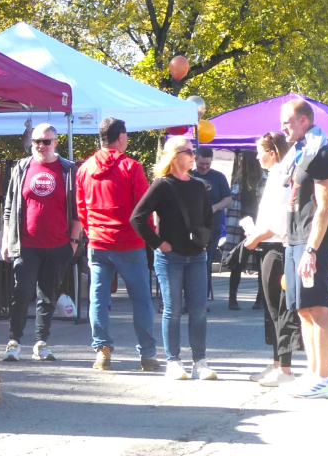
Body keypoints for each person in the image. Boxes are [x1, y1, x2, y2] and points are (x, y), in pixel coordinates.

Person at [76, 117, 159, 371]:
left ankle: (102, 351)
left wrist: (92, 232)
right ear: (121, 137)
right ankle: (147, 355)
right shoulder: (131, 167)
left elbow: (81, 209)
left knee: (98, 298)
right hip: (129, 242)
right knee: (142, 299)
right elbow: (144, 209)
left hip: (99, 243)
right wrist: (151, 236)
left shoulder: (84, 168)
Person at [131, 136, 216, 381]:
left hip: (196, 257)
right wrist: (158, 243)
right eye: (189, 151)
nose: (194, 156)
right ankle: (173, 361)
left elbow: (208, 217)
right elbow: (137, 217)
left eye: (193, 151)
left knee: (199, 310)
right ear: (174, 155)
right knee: (173, 310)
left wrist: (206, 242)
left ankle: (200, 361)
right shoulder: (162, 185)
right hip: (170, 259)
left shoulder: (199, 186)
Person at [0, 124, 82, 362]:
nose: (41, 146)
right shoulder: (22, 167)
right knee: (22, 291)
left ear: (56, 142)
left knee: (47, 296)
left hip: (58, 245)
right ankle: (13, 341)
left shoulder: (68, 169)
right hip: (26, 243)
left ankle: (41, 342)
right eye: (37, 141)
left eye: (46, 141)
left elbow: (78, 209)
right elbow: (9, 206)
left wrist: (74, 242)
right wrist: (6, 240)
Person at [280, 99, 328, 399]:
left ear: (303, 120)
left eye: (287, 121)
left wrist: (312, 250)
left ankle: (325, 378)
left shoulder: (322, 155)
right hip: (293, 237)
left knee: (318, 308)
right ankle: (313, 373)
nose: (283, 127)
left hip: (309, 241)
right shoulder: (299, 153)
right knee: (302, 309)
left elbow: (324, 208)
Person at [244, 132, 301, 387]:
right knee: (271, 310)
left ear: (273, 152)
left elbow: (280, 221)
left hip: (277, 245)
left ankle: (285, 369)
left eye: (260, 151)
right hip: (269, 245)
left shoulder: (281, 176)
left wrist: (256, 238)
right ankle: (278, 363)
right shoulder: (275, 176)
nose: (257, 156)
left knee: (281, 310)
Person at [189, 146, 232, 299]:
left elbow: (228, 199)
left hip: (211, 226)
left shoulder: (218, 177)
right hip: (191, 226)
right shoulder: (189, 175)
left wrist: (215, 207)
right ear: (195, 159)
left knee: (206, 262)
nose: (205, 167)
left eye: (208, 164)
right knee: (190, 261)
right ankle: (189, 294)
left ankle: (203, 296)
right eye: (202, 164)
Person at [224, 152, 264, 310]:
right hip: (255, 226)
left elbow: (232, 206)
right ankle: (259, 300)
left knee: (238, 263)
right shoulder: (263, 181)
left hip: (243, 226)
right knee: (260, 263)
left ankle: (233, 299)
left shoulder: (240, 182)